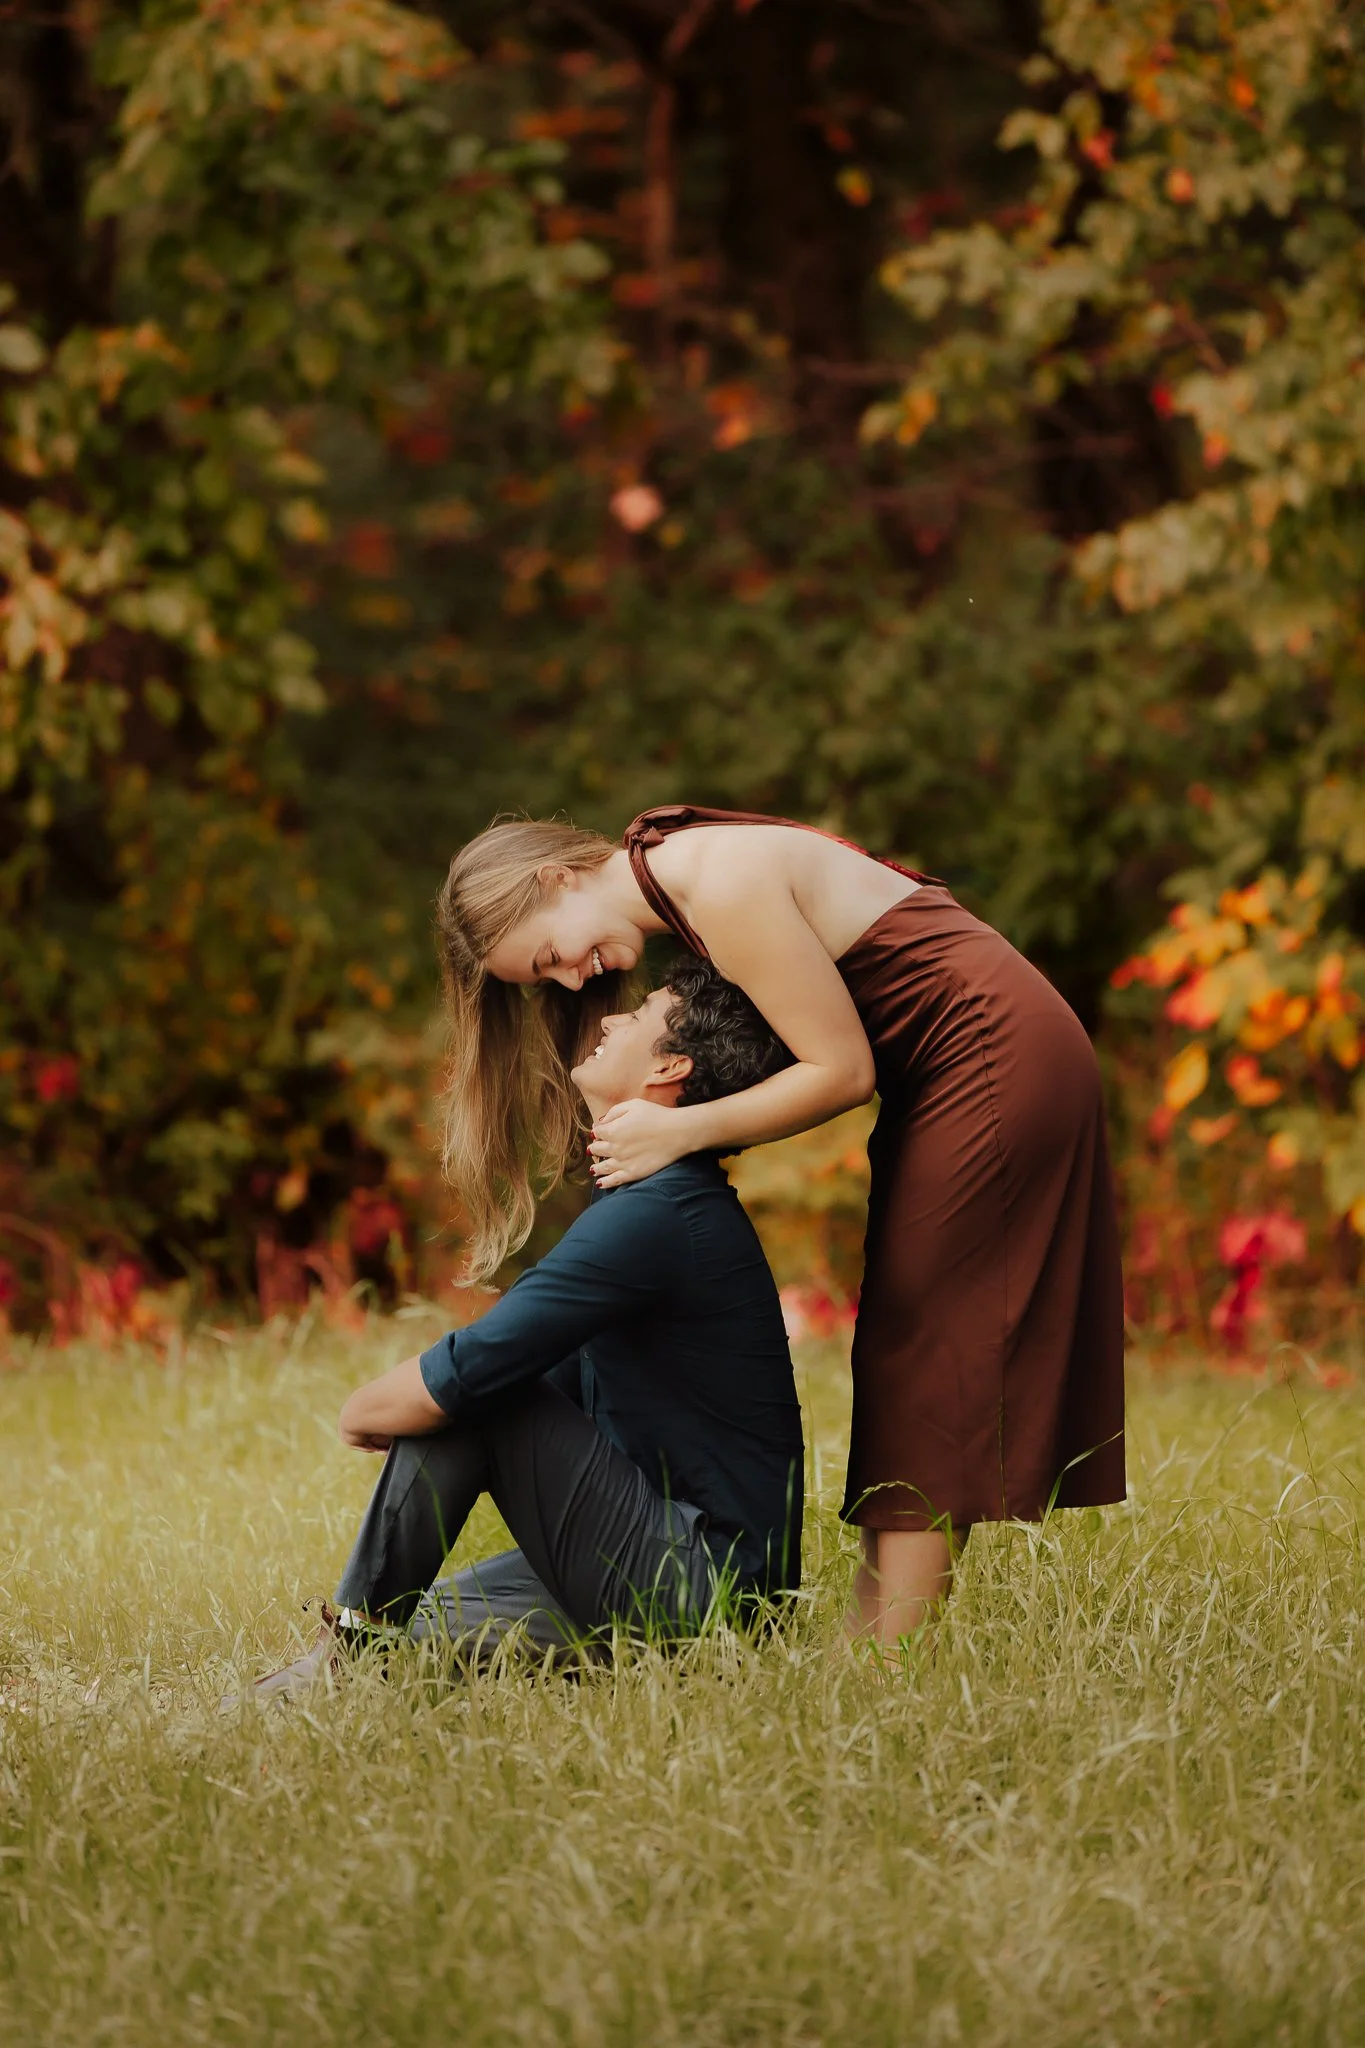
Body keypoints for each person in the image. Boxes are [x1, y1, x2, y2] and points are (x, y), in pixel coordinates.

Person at [435, 803, 1126, 1652]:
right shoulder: (685, 884)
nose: (574, 980)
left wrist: (682, 1128)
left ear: (557, 878)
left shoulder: (715, 884)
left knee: (930, 1346)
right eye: (548, 981)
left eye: (551, 955)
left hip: (989, 1055)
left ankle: (881, 1654)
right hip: (952, 1065)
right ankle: (874, 1633)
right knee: (903, 1342)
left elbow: (839, 1070)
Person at [237, 959, 804, 1701]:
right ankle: (313, 1678)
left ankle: (352, 1644)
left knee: (474, 1393)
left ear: (669, 1066)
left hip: (704, 1591)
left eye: (633, 1020)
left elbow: (470, 1375)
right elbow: (538, 1378)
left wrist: (368, 1410)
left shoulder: (657, 1216)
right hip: (653, 1561)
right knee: (413, 1636)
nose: (607, 1021)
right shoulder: (656, 1205)